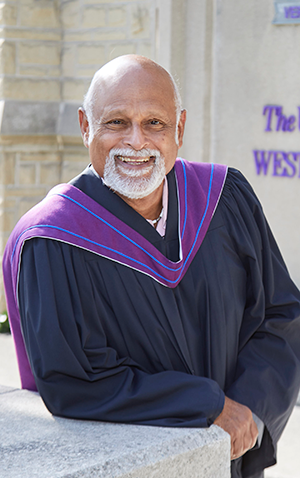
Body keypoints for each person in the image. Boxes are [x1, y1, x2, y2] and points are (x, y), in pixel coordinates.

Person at [3, 55, 300, 478]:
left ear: (178, 128)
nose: (137, 142)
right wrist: (209, 405)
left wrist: (251, 410)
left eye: (154, 123)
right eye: (117, 122)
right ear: (86, 126)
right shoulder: (53, 239)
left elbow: (280, 314)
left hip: (230, 458)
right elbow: (73, 379)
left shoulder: (225, 198)